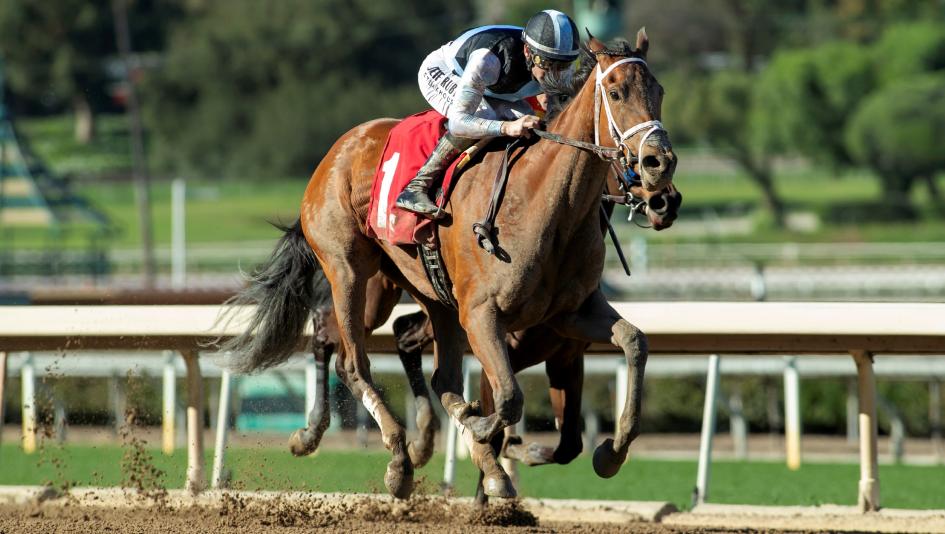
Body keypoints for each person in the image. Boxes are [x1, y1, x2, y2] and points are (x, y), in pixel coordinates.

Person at [395, 9, 581, 218]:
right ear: (528, 52)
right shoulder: (489, 59)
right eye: (547, 64)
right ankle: (416, 187)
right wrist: (507, 128)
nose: (555, 75)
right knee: (488, 116)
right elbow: (459, 122)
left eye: (563, 65)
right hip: (445, 71)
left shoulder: (557, 62)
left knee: (534, 123)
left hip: (496, 87)